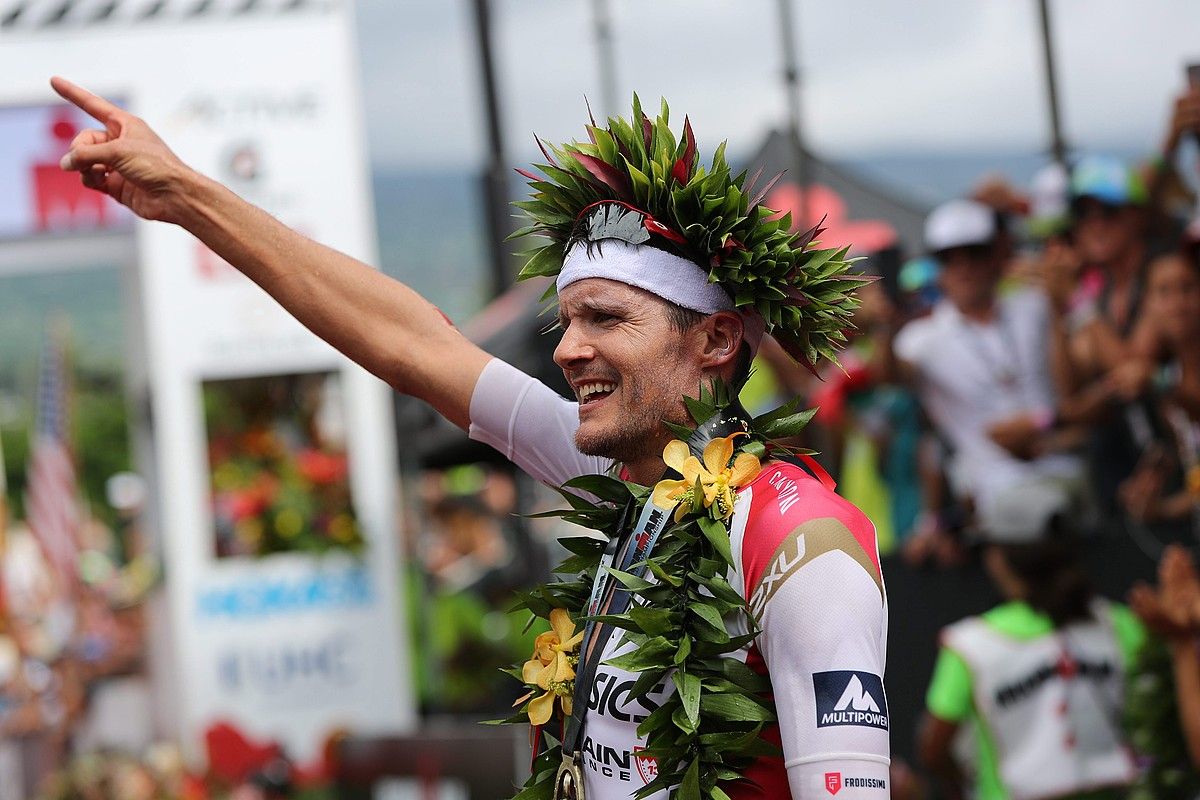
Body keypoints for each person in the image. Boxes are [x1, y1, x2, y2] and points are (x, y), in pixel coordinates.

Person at [50, 79, 889, 798]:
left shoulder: (797, 541)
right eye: (565, 320)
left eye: (605, 318)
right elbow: (415, 348)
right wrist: (188, 197)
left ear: (714, 340)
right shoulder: (642, 493)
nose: (567, 349)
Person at [918, 490, 1146, 800]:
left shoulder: (969, 645)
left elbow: (934, 750)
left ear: (998, 558)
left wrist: (966, 784)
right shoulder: (1122, 624)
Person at [884, 198, 1085, 536]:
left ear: (997, 256)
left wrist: (1060, 304)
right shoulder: (921, 338)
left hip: (1066, 465)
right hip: (998, 491)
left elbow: (1075, 390)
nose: (963, 267)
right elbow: (890, 378)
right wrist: (883, 326)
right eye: (949, 258)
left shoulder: (1035, 306)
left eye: (974, 253)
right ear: (938, 267)